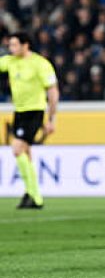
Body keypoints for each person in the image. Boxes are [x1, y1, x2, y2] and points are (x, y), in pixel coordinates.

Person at [0, 32, 59, 209]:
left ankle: (36, 196)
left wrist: (51, 119)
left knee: (17, 148)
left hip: (35, 111)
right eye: (10, 45)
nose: (11, 49)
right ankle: (30, 193)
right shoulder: (10, 61)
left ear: (26, 45)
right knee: (25, 152)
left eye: (14, 45)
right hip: (19, 111)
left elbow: (53, 91)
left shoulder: (40, 64)